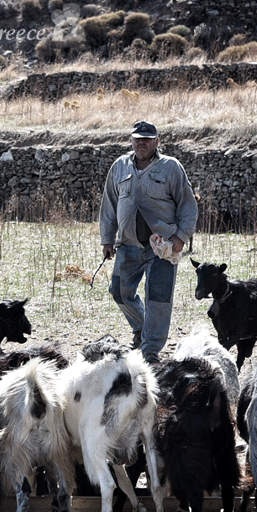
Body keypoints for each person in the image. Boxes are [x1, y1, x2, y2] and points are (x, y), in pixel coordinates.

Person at [99, 121, 198, 364]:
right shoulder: (120, 167)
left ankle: (150, 350)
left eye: (147, 138)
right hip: (128, 244)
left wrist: (180, 237)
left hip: (162, 246)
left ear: (157, 141)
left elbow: (187, 205)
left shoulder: (171, 167)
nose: (141, 142)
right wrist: (107, 239)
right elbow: (109, 205)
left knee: (158, 298)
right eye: (137, 138)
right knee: (119, 292)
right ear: (131, 141)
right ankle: (141, 329)